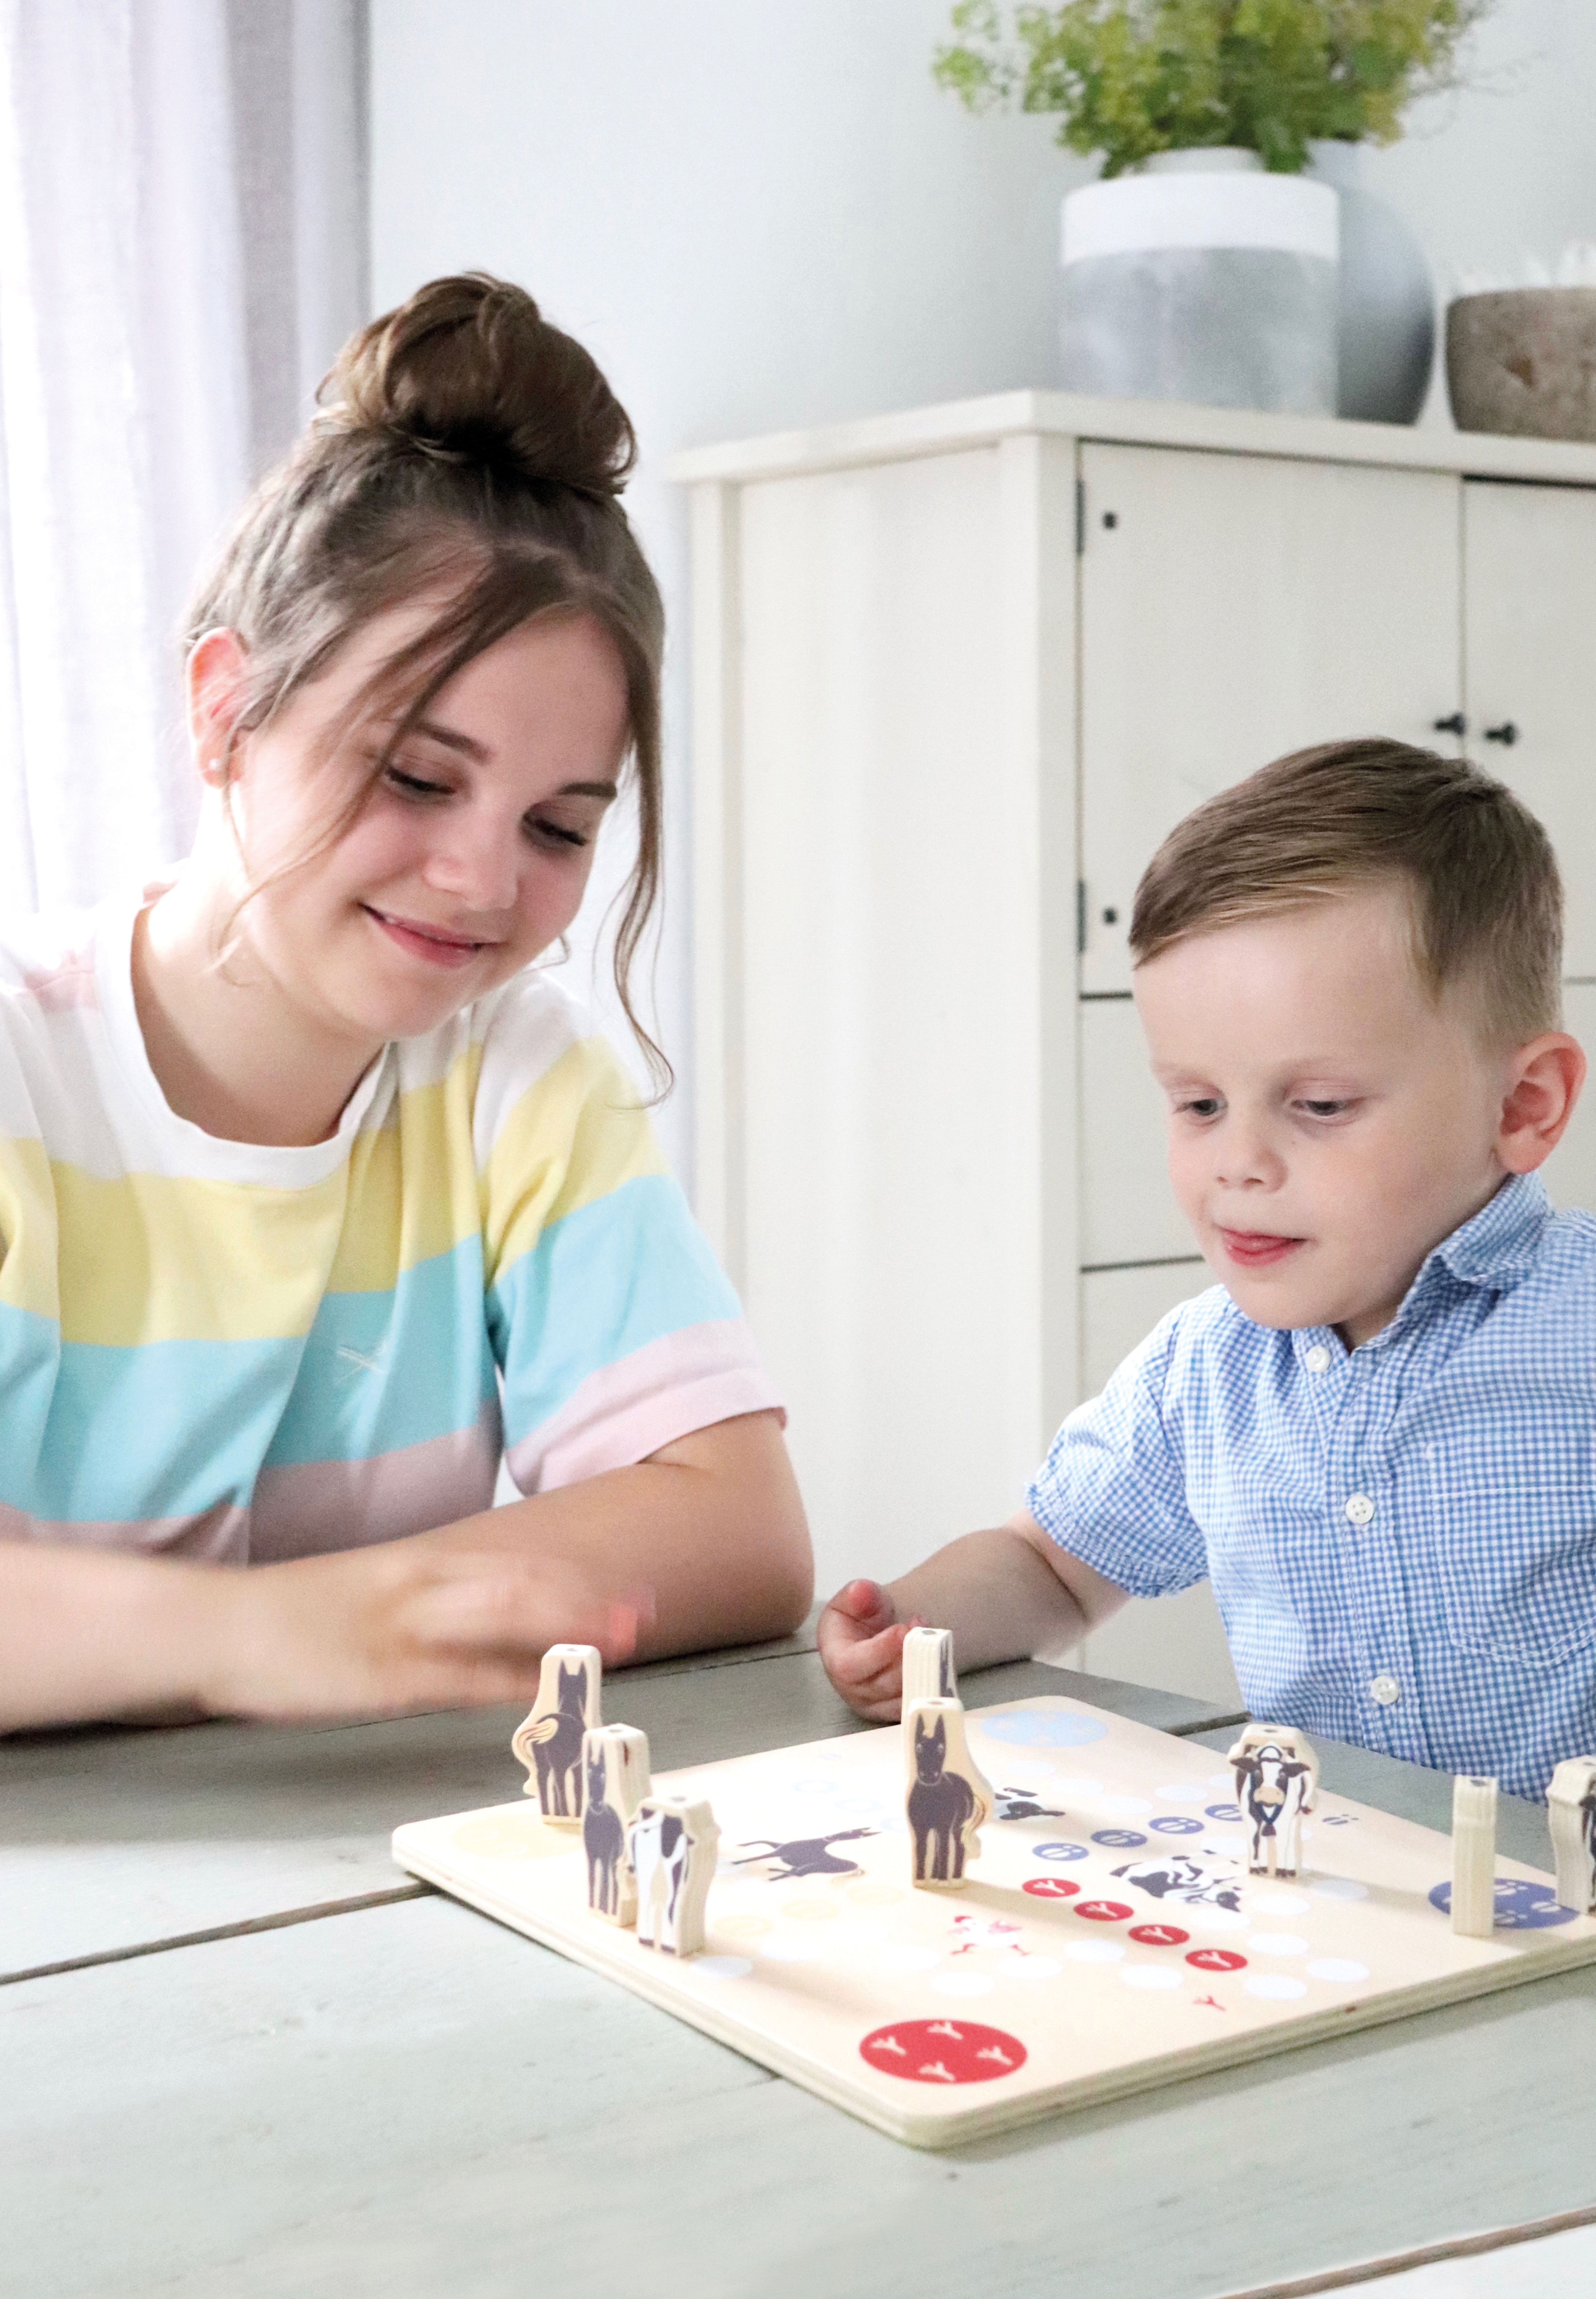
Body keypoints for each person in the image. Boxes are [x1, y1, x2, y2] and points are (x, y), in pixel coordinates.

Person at [0, 274, 811, 1732]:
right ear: (224, 710)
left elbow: (739, 1526)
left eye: (560, 826)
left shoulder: (517, 1075)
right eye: (419, 778)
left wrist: (332, 1624)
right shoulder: (19, 1072)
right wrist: (250, 1637)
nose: (479, 881)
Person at [820, 739, 1594, 1800]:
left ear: (1523, 1107)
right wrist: (915, 1627)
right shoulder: (1206, 1369)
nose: (1238, 1162)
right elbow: (1049, 1563)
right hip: (1339, 1916)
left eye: (1317, 1106)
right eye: (1197, 1104)